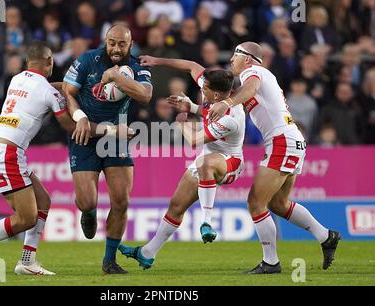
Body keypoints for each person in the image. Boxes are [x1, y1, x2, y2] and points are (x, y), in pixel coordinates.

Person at [0, 41, 129, 275]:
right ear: (50, 62)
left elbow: (50, 88)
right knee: (26, 218)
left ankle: (27, 262)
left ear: (27, 62)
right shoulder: (48, 92)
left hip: (1, 151)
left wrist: (70, 88)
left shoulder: (17, 79)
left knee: (43, 202)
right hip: (6, 155)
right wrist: (111, 130)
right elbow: (72, 128)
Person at [208, 42, 340, 274]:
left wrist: (227, 102)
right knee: (278, 204)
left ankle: (271, 262)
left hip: (282, 141)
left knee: (255, 203)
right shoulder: (254, 78)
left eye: (235, 55)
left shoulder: (254, 72)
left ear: (248, 59)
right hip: (291, 140)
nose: (231, 60)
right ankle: (325, 236)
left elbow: (250, 88)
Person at [118, 56, 245, 269]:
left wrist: (181, 123)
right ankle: (147, 253)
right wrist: (157, 61)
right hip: (207, 157)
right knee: (176, 205)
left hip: (230, 162)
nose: (201, 89)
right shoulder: (213, 91)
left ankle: (206, 222)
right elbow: (192, 65)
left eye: (204, 88)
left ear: (216, 94)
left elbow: (194, 140)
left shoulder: (232, 117)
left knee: (206, 163)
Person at [61, 24, 152, 274]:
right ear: (105, 41)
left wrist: (117, 77)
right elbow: (68, 92)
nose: (116, 48)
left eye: (122, 43)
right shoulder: (87, 60)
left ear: (130, 44)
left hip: (116, 137)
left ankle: (109, 261)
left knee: (121, 201)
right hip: (85, 135)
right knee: (87, 201)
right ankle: (87, 212)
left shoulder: (137, 66)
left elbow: (145, 96)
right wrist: (78, 115)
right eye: (112, 42)